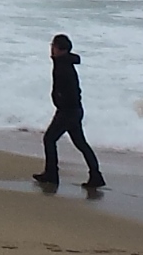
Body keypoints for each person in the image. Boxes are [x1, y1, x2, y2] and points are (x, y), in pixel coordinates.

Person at [35, 32, 104, 193]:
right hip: (72, 111)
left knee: (49, 139)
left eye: (53, 46)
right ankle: (96, 175)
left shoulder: (64, 66)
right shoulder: (62, 62)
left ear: (61, 49)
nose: (51, 48)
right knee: (80, 143)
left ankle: (52, 174)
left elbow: (72, 91)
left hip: (68, 111)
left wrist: (61, 101)